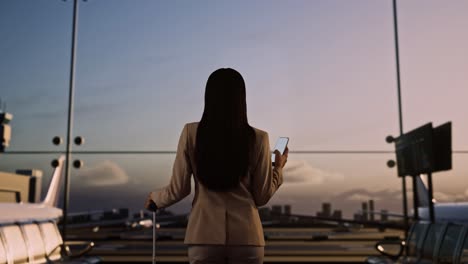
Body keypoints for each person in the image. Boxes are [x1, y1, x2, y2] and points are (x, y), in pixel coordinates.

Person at [144, 68, 288, 264]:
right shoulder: (259, 138)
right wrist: (277, 169)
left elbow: (179, 189)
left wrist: (156, 199)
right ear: (241, 99)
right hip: (247, 239)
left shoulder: (191, 133)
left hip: (204, 237)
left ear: (208, 97)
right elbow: (261, 197)